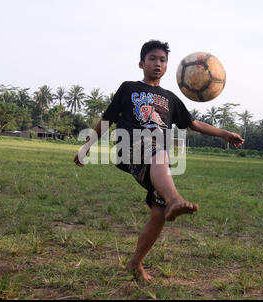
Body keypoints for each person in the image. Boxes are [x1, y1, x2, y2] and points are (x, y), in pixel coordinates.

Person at [73, 40, 244, 281]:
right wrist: (85, 147)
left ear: (168, 67)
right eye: (152, 58)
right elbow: (106, 120)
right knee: (158, 150)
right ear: (142, 63)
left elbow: (193, 124)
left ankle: (136, 263)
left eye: (162, 60)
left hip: (154, 160)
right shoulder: (128, 88)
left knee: (158, 210)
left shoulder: (171, 98)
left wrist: (224, 134)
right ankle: (175, 199)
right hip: (129, 146)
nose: (157, 63)